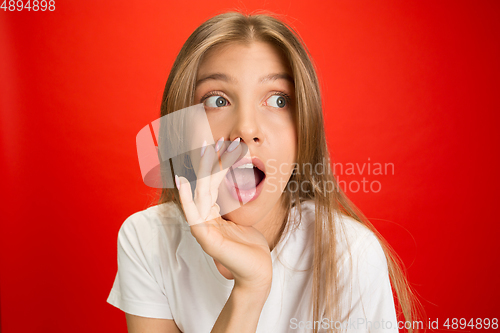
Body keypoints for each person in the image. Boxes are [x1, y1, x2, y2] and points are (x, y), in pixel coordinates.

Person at [107, 12, 420, 333]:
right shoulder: (148, 238)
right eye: (217, 100)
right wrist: (250, 289)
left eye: (278, 100)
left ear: (304, 131)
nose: (245, 129)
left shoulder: (351, 254)